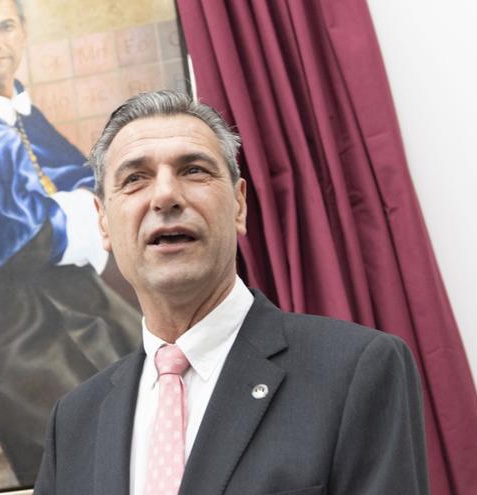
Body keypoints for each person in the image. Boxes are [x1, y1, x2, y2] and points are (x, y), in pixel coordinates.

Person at [34, 90, 430, 494]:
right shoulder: (74, 421)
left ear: (239, 205)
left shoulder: (356, 370)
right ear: (103, 223)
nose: (166, 195)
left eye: (193, 170)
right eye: (135, 178)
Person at [0, 0, 140, 484]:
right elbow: (25, 233)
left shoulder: (18, 108)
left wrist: (87, 205)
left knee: (150, 377)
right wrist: (85, 210)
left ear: (23, 33)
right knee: (76, 432)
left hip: (71, 298)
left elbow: (86, 181)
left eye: (5, 26)